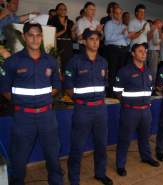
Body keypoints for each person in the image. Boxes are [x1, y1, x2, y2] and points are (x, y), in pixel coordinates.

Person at [0, 22, 63, 185]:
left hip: (47, 117)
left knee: (53, 156)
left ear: (42, 37)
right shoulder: (12, 62)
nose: (35, 39)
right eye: (31, 35)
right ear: (24, 37)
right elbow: (5, 89)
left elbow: (57, 85)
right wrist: (23, 103)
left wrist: (43, 100)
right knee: (19, 159)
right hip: (23, 118)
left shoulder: (50, 61)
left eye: (38, 35)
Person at [64, 28, 113, 185]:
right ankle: (74, 179)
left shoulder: (103, 62)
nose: (95, 42)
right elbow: (68, 87)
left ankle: (100, 173)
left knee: (101, 144)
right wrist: (81, 100)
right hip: (83, 110)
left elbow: (105, 84)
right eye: (91, 39)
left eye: (97, 39)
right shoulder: (75, 61)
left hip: (100, 109)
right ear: (84, 41)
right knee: (77, 146)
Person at [113, 43, 160, 177]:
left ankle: (146, 157)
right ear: (133, 54)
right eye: (140, 51)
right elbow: (116, 91)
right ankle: (120, 165)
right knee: (124, 139)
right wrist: (128, 102)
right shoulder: (125, 71)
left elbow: (150, 88)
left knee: (145, 137)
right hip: (130, 112)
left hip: (146, 111)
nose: (144, 53)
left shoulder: (148, 70)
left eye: (145, 51)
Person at [104, 6, 129, 97]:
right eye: (117, 13)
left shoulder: (124, 26)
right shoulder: (109, 24)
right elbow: (108, 38)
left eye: (120, 13)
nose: (119, 15)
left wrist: (128, 39)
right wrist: (121, 35)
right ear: (113, 14)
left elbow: (126, 40)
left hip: (123, 50)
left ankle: (119, 93)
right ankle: (110, 93)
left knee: (121, 73)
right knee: (113, 73)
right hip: (113, 50)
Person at [48, 3, 74, 74]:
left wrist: (73, 31)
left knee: (68, 65)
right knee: (58, 66)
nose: (63, 11)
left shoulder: (70, 22)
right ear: (57, 11)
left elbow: (74, 38)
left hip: (68, 45)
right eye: (61, 9)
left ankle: (67, 79)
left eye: (65, 9)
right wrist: (63, 30)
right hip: (58, 44)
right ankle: (58, 80)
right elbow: (50, 36)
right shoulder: (52, 21)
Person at [147, 19, 163, 87]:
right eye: (160, 24)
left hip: (152, 51)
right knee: (153, 71)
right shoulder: (155, 29)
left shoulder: (153, 29)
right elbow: (155, 42)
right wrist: (162, 38)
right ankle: (151, 87)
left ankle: (151, 86)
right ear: (157, 23)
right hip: (153, 51)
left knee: (153, 70)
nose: (161, 26)